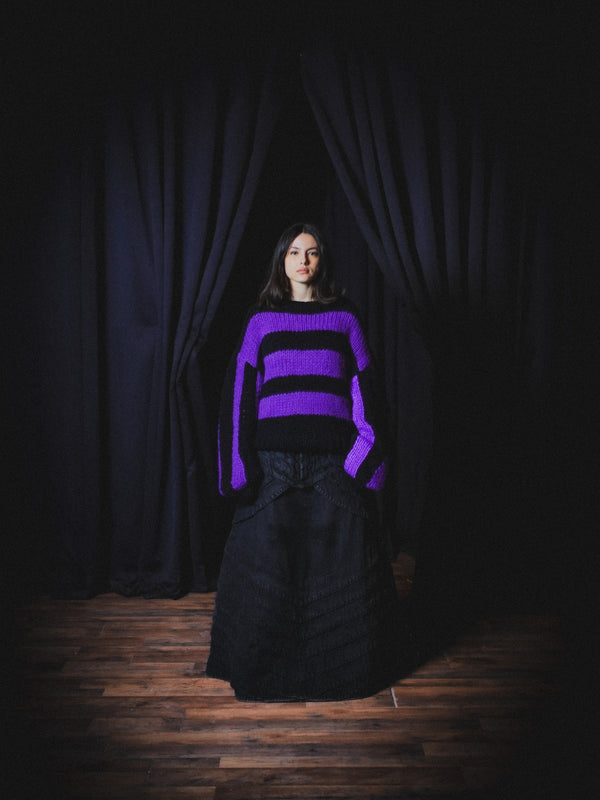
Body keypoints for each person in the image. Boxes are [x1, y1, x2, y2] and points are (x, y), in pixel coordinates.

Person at [206, 222, 413, 701]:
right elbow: (238, 396)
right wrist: (240, 468)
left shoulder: (344, 318)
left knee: (342, 578)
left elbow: (367, 393)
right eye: (294, 252)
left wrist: (362, 462)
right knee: (265, 578)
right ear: (281, 260)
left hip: (332, 471)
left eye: (312, 252)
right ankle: (261, 673)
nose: (303, 260)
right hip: (272, 470)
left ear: (322, 261)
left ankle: (347, 676)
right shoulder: (261, 321)